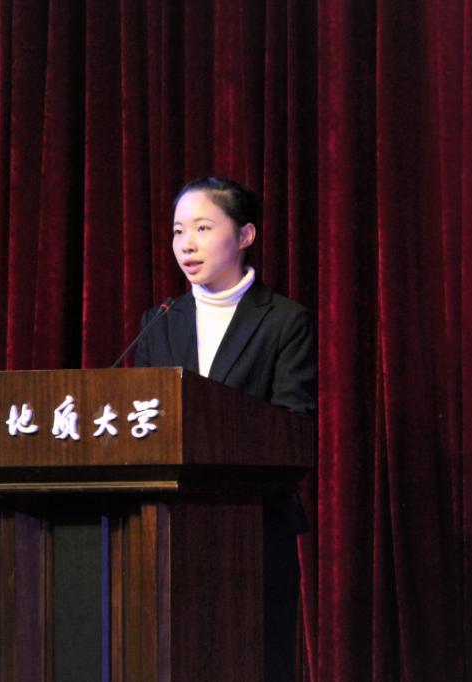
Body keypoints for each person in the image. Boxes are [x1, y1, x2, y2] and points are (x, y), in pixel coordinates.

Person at [133, 177, 316, 681]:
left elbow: (293, 426)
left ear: (245, 235)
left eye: (203, 228)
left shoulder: (284, 321)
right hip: (167, 530)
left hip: (254, 530)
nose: (186, 244)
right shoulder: (160, 321)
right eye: (178, 231)